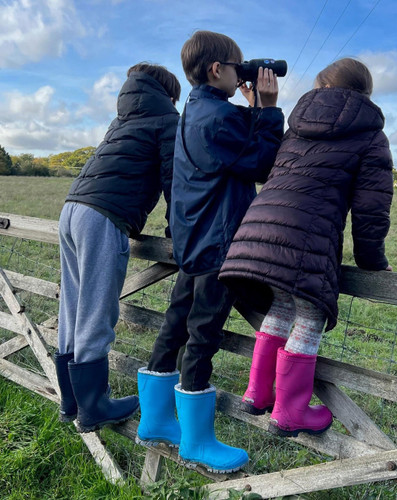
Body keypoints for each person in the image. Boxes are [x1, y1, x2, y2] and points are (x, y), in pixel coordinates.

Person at [219, 58, 394, 438]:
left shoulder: (296, 126)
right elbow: (371, 207)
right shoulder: (370, 135)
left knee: (281, 306)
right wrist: (371, 261)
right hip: (307, 236)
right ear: (365, 92)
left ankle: (257, 393)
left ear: (321, 87)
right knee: (310, 317)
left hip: (260, 228)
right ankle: (291, 411)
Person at [137, 30, 284, 473]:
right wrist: (271, 108)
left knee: (175, 327)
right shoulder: (221, 118)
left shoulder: (194, 112)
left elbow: (236, 155)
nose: (243, 75)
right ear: (217, 69)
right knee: (203, 338)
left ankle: (156, 420)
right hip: (219, 244)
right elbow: (260, 163)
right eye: (237, 68)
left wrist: (252, 106)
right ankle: (197, 441)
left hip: (193, 238)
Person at [55, 62, 181, 433]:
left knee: (73, 306)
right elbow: (175, 181)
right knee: (95, 309)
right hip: (103, 215)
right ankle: (94, 407)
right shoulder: (166, 119)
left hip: (71, 209)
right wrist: (177, 232)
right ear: (169, 93)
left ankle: (71, 400)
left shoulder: (121, 119)